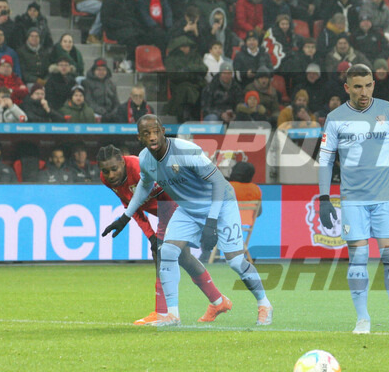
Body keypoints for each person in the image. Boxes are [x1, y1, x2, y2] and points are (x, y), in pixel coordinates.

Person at [101, 115, 273, 327]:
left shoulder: (185, 151)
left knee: (236, 261)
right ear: (139, 137)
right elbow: (145, 186)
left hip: (221, 204)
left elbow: (219, 182)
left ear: (163, 131)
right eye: (146, 134)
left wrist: (211, 222)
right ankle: (172, 315)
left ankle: (264, 304)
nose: (152, 137)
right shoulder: (145, 159)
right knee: (167, 252)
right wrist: (125, 217)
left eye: (155, 131)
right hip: (188, 209)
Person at [317, 64, 389, 334]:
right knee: (358, 259)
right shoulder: (335, 117)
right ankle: (362, 319)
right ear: (347, 88)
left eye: (368, 85)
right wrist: (324, 197)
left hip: (387, 198)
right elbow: (325, 159)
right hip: (352, 200)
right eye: (358, 87)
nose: (364, 92)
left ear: (374, 84)